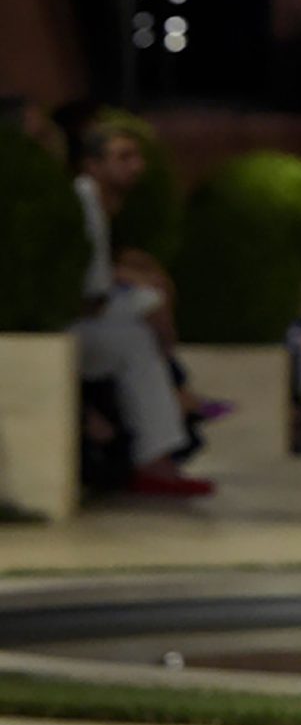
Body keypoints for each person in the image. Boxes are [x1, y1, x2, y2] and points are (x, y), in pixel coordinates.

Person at [71, 123, 216, 496]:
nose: (136, 167)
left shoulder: (102, 203)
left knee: (137, 335)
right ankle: (164, 433)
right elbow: (91, 290)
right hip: (69, 323)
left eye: (137, 157)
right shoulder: (84, 197)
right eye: (123, 157)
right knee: (144, 314)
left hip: (88, 318)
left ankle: (156, 457)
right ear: (93, 164)